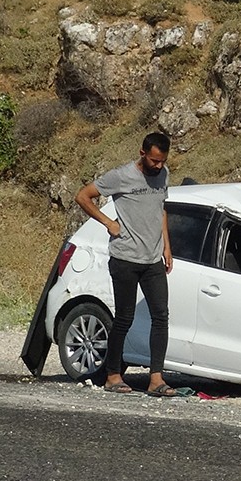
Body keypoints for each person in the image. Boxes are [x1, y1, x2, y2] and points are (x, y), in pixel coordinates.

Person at [74, 132, 175, 396]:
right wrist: (108, 222)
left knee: (161, 317)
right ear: (142, 153)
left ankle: (156, 379)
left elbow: (161, 208)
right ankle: (112, 375)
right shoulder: (121, 176)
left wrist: (167, 246)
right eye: (154, 160)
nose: (158, 166)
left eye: (162, 161)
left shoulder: (163, 175)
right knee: (124, 318)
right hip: (125, 258)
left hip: (153, 259)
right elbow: (83, 196)